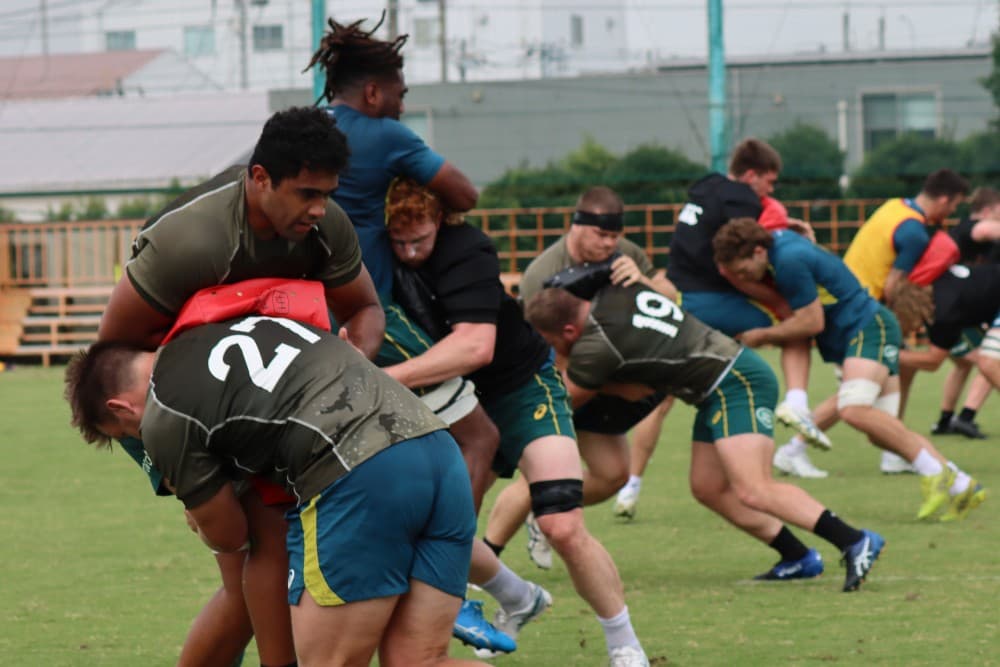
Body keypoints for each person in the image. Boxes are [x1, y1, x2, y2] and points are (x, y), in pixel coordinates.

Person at [96, 106, 384, 666]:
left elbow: (366, 308)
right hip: (174, 408)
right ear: (259, 178)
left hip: (260, 398)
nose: (319, 208)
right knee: (258, 546)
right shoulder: (192, 242)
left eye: (327, 193)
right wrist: (182, 457)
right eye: (305, 193)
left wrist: (352, 361)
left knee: (257, 568)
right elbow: (114, 354)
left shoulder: (326, 225)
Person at [65, 316, 485, 667]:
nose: (143, 442)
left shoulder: (162, 414)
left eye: (128, 434)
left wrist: (195, 506)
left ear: (121, 408)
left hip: (360, 467)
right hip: (437, 449)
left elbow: (230, 535)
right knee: (420, 660)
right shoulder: (224, 330)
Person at [384, 178, 650, 667]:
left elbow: (474, 348)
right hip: (455, 399)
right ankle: (518, 596)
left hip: (520, 386)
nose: (409, 252)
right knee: (441, 525)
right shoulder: (376, 251)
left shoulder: (469, 250)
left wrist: (382, 379)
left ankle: (624, 643)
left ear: (439, 220)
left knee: (562, 525)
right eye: (398, 242)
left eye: (418, 238)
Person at [524, 276, 884, 593]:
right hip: (715, 388)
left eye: (549, 342)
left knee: (754, 487)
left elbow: (563, 400)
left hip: (736, 382)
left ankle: (854, 540)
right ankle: (798, 556)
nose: (552, 350)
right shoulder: (614, 291)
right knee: (708, 487)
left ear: (568, 331)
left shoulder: (596, 346)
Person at [305, 16, 500, 518]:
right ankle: (450, 581)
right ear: (373, 93)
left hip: (305, 316)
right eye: (399, 93)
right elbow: (465, 193)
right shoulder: (385, 135)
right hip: (371, 317)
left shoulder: (305, 130)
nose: (402, 104)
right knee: (478, 440)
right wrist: (406, 186)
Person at [712, 218, 985, 521]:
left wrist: (759, 336)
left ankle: (935, 474)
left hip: (869, 328)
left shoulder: (787, 260)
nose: (742, 277)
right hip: (862, 332)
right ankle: (960, 483)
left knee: (854, 409)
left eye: (742, 268)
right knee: (881, 433)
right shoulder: (781, 249)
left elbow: (810, 322)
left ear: (759, 251)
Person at [498, 186, 676, 539]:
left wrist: (642, 280)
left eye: (615, 235)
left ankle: (541, 515)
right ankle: (486, 562)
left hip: (598, 380)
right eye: (601, 234)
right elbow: (538, 348)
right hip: (557, 380)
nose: (610, 244)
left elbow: (668, 297)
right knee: (526, 472)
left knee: (613, 474)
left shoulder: (627, 253)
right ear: (577, 226)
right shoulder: (543, 272)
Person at [667, 138, 830, 477]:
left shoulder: (706, 188)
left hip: (678, 295)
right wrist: (776, 301)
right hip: (710, 297)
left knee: (661, 396)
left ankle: (631, 484)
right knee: (796, 319)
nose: (769, 192)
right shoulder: (741, 198)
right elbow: (734, 263)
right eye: (769, 182)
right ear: (751, 175)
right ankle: (797, 402)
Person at [892, 264, 1000, 461]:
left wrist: (890, 355)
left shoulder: (944, 314)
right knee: (971, 362)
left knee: (989, 362)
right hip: (987, 304)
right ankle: (947, 419)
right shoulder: (935, 284)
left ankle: (962, 417)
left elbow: (933, 362)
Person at [929, 186, 1000, 438]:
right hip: (954, 313)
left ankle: (945, 421)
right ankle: (965, 417)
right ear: (988, 210)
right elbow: (983, 229)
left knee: (964, 365)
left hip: (964, 312)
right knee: (990, 360)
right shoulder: (970, 228)